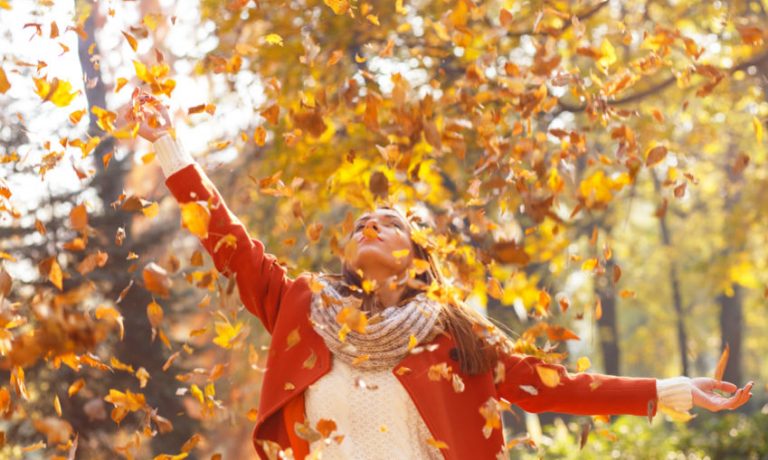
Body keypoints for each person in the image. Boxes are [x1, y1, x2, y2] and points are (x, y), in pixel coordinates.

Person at [125, 93, 753, 460]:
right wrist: (169, 147)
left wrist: (669, 390)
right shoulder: (300, 305)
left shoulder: (455, 335)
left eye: (387, 224)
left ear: (417, 260)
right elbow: (227, 240)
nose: (368, 227)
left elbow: (558, 387)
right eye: (359, 225)